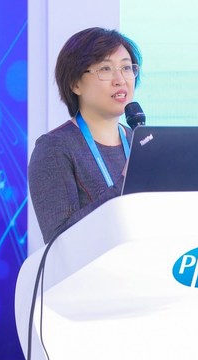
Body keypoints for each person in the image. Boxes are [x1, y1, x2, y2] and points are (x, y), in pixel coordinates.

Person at [28, 27, 142, 244]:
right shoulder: (55, 148)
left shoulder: (141, 141)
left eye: (127, 68)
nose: (120, 79)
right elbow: (58, 240)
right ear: (75, 84)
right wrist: (124, 185)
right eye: (105, 69)